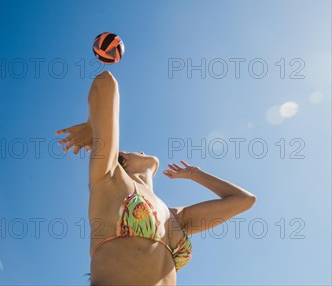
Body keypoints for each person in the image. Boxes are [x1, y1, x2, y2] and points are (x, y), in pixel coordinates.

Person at [56, 70, 257, 285]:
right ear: (121, 158)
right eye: (136, 152)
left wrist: (196, 174)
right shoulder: (109, 179)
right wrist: (93, 125)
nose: (142, 151)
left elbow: (244, 200)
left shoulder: (176, 217)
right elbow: (106, 81)